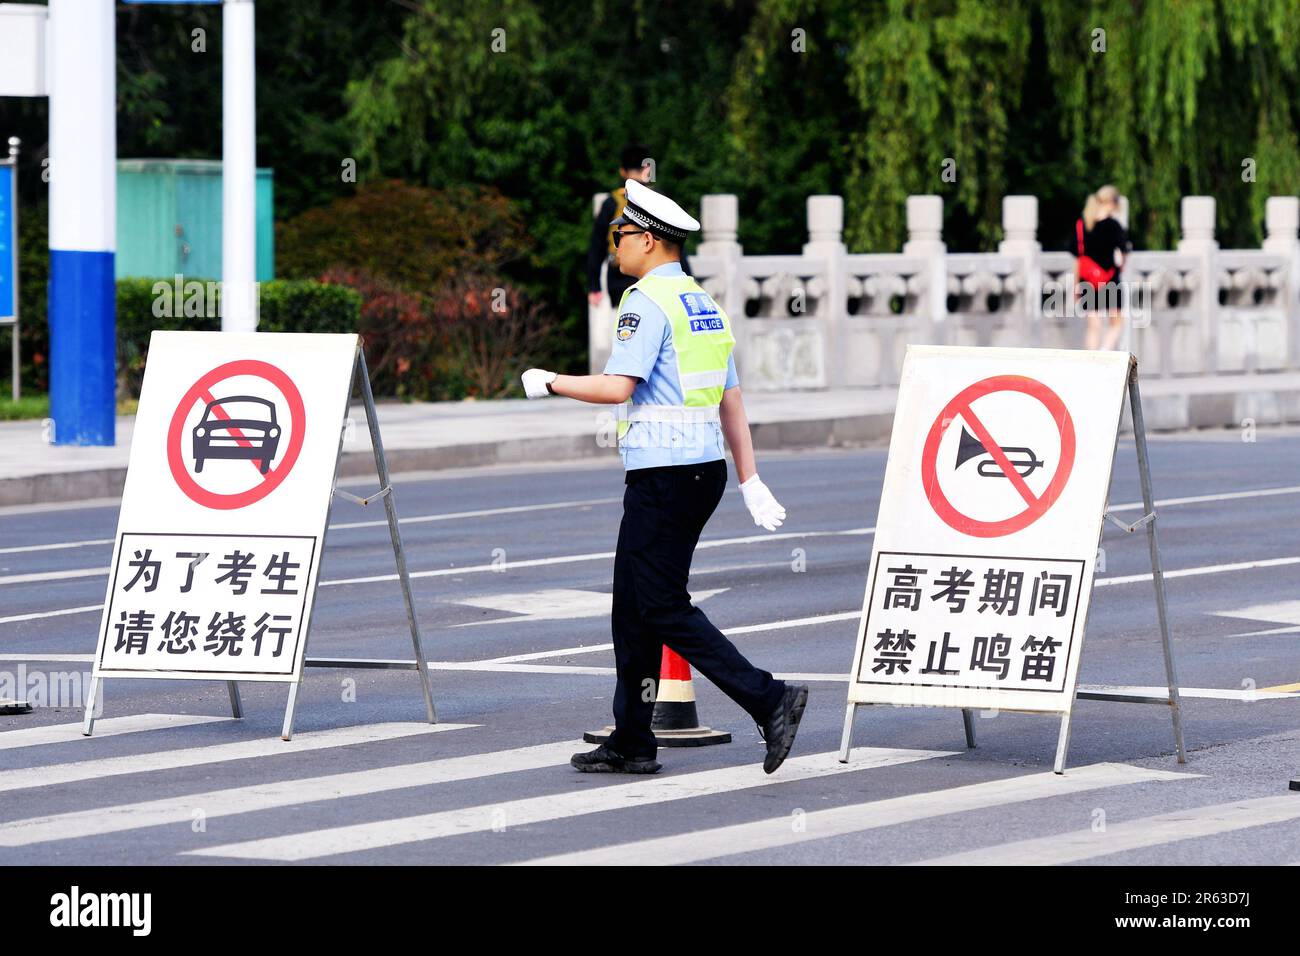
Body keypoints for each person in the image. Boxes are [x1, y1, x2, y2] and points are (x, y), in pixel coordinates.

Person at [525, 178, 809, 776]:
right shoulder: (703, 304)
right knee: (632, 607)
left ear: (650, 241)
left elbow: (616, 388)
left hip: (665, 477)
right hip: (699, 471)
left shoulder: (646, 302)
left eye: (620, 235)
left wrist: (550, 381)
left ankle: (769, 697)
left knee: (660, 605)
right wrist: (749, 479)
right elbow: (731, 400)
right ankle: (632, 737)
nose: (614, 248)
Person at [586, 145, 692, 310]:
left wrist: (594, 286)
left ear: (623, 171)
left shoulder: (611, 202)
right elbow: (674, 243)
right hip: (658, 273)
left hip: (619, 276)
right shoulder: (659, 199)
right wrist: (687, 277)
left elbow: (597, 245)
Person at [1074, 184, 1131, 350]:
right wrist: (1122, 265)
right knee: (1117, 323)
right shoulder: (1113, 225)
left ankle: (1091, 362)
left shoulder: (1082, 225)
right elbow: (1124, 251)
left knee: (1093, 326)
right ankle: (1105, 351)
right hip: (1109, 279)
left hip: (1087, 281)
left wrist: (1077, 284)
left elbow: (1078, 259)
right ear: (1113, 203)